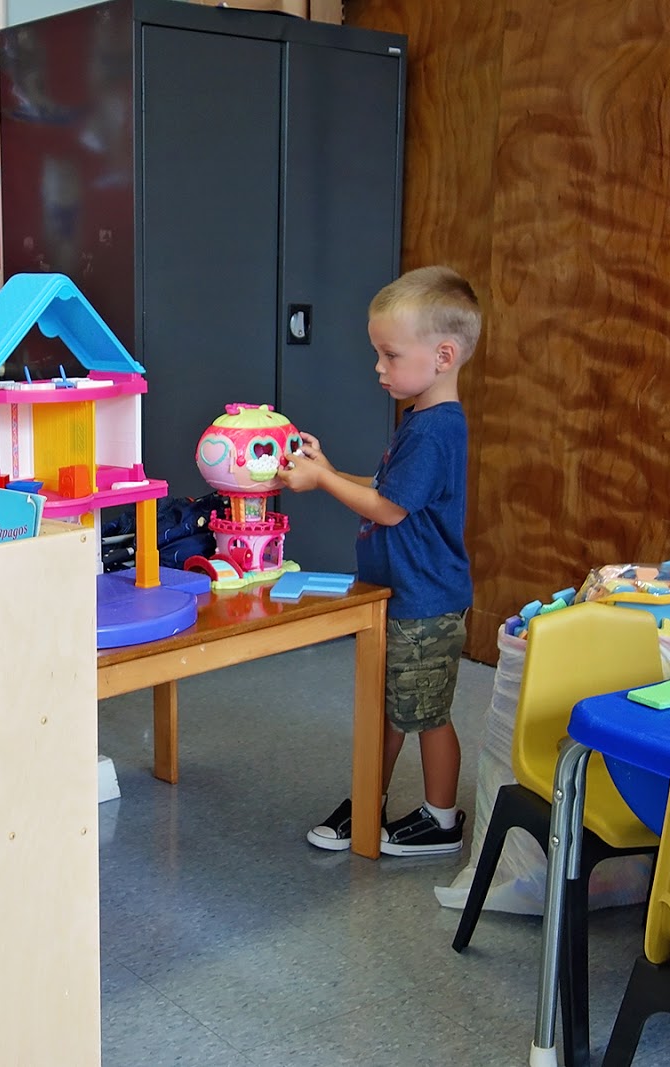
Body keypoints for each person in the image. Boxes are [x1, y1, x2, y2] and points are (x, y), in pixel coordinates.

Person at [279, 265, 478, 856]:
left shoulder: (435, 430)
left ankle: (441, 820)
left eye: (390, 355)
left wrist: (320, 480)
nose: (379, 367)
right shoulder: (421, 422)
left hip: (425, 603)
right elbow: (390, 489)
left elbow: (388, 509)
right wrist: (330, 470)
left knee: (426, 714)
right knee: (386, 709)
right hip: (395, 595)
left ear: (443, 356)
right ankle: (370, 798)